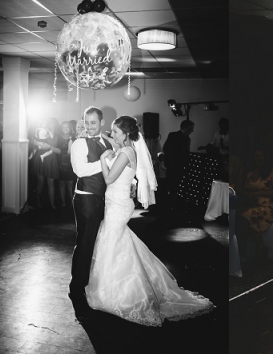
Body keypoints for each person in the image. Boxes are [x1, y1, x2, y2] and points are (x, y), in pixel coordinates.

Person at [84, 116, 214, 326]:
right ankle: (113, 288)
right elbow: (124, 168)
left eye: (116, 132)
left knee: (112, 243)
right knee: (117, 243)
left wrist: (102, 159)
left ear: (126, 134)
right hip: (116, 202)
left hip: (117, 205)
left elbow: (109, 179)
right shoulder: (125, 150)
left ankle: (122, 293)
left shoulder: (126, 152)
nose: (113, 135)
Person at [68, 107, 115, 305]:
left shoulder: (107, 141)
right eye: (86, 122)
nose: (89, 126)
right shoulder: (80, 144)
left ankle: (89, 281)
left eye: (93, 122)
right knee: (86, 242)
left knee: (95, 241)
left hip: (101, 196)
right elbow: (80, 170)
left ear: (102, 122)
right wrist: (104, 162)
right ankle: (77, 286)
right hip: (86, 197)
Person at [32, 118, 61, 209]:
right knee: (40, 181)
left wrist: (50, 147)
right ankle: (37, 202)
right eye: (50, 123)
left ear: (56, 125)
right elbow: (35, 143)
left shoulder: (57, 135)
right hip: (41, 158)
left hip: (51, 159)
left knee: (51, 182)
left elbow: (59, 151)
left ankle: (52, 204)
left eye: (53, 123)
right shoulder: (42, 132)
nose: (51, 125)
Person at [163, 119, 195, 196]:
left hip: (172, 165)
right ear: (187, 128)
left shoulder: (172, 135)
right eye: (191, 128)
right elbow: (184, 153)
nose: (192, 131)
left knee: (171, 185)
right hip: (178, 166)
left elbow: (165, 148)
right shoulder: (186, 139)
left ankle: (169, 200)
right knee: (176, 186)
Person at [57, 121, 77, 208]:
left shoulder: (73, 138)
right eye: (63, 127)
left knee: (70, 184)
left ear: (70, 128)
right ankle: (63, 202)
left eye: (67, 127)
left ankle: (71, 201)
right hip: (60, 163)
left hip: (71, 163)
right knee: (62, 183)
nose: (65, 129)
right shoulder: (58, 137)